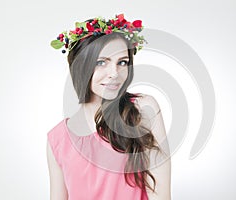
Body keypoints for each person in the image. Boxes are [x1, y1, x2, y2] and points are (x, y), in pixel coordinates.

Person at [46, 14, 171, 200]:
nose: (114, 73)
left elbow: (160, 194)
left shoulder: (142, 110)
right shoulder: (56, 139)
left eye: (122, 62)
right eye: (101, 62)